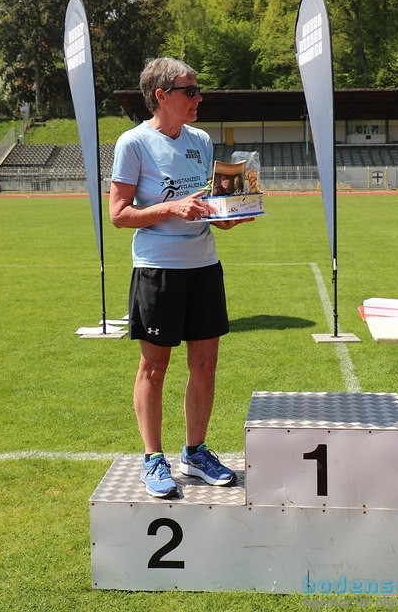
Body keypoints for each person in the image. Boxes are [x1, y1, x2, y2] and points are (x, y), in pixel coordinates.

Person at [109, 57, 252, 498]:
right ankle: (153, 459)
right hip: (157, 270)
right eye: (190, 90)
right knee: (154, 367)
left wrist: (230, 216)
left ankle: (194, 451)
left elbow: (207, 208)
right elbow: (118, 215)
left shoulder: (201, 141)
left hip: (203, 267)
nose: (198, 98)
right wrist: (171, 208)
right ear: (162, 95)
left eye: (197, 90)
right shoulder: (133, 143)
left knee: (205, 364)